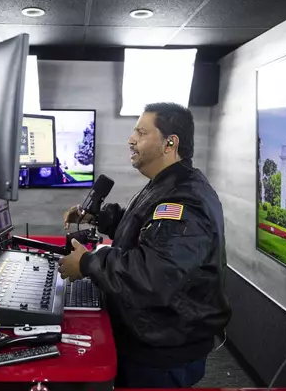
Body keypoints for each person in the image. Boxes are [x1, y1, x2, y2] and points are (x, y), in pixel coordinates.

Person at [59, 102, 231, 388]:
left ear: (169, 143)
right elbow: (145, 230)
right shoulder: (166, 184)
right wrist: (99, 216)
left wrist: (88, 263)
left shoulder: (184, 199)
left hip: (163, 352)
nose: (131, 139)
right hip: (153, 336)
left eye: (141, 132)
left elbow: (154, 274)